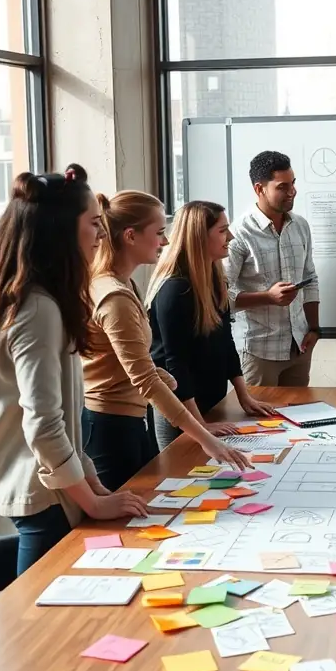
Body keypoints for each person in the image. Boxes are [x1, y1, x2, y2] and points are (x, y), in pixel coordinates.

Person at [0, 166, 148, 576]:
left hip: (45, 488)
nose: (101, 235)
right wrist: (93, 502)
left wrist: (94, 482)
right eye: (93, 224)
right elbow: (45, 426)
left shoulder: (20, 297)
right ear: (62, 230)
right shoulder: (37, 308)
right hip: (47, 496)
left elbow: (62, 418)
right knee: (45, 610)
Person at [82, 190, 249, 491]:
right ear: (130, 236)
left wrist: (158, 372)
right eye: (159, 232)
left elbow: (125, 361)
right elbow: (144, 379)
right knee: (131, 511)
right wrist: (204, 435)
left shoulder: (125, 284)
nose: (165, 241)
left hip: (131, 421)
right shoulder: (115, 296)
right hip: (110, 427)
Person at [146, 200, 277, 450]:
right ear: (199, 237)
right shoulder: (175, 289)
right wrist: (199, 423)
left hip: (210, 405)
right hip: (181, 412)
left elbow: (226, 342)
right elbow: (175, 363)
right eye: (222, 230)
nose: (231, 237)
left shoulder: (216, 280)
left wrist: (244, 396)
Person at [226, 150, 320, 386]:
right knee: (259, 412)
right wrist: (268, 297)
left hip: (299, 345)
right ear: (260, 189)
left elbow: (310, 277)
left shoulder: (300, 225)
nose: (292, 191)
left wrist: (315, 328)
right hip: (259, 350)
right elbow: (221, 297)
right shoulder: (238, 233)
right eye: (282, 187)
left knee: (301, 409)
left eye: (293, 183)